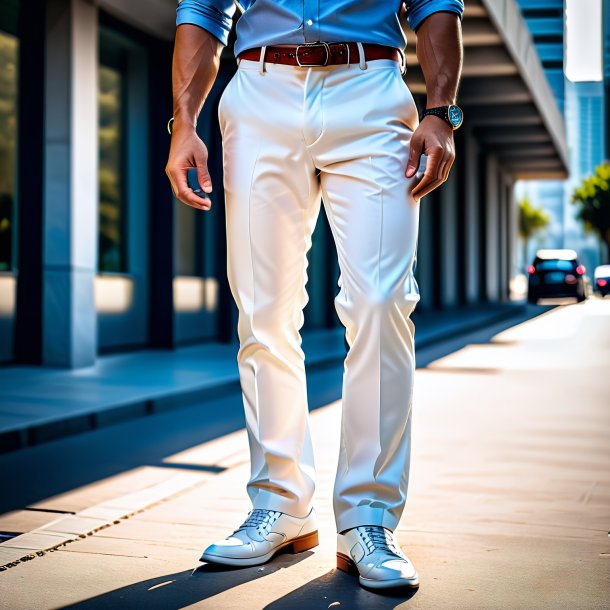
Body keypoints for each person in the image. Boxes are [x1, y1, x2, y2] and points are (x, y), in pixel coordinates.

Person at [166, 0, 464, 591]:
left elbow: (436, 3)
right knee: (263, 310)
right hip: (259, 92)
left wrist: (442, 112)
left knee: (381, 303)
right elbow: (203, 7)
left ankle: (368, 519)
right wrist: (184, 122)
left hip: (372, 90)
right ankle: (282, 504)